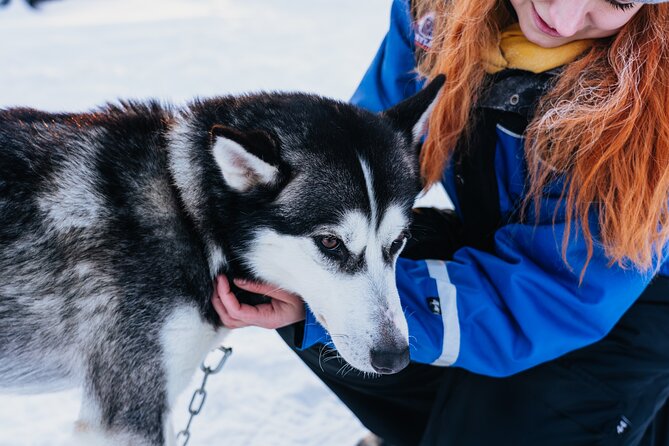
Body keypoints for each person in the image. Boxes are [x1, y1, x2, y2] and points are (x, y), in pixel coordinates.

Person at [211, 0, 669, 444]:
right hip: (497, 248)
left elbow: (564, 290)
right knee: (307, 277)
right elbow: (359, 163)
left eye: (618, 0)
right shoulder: (438, 11)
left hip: (620, 294)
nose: (563, 18)